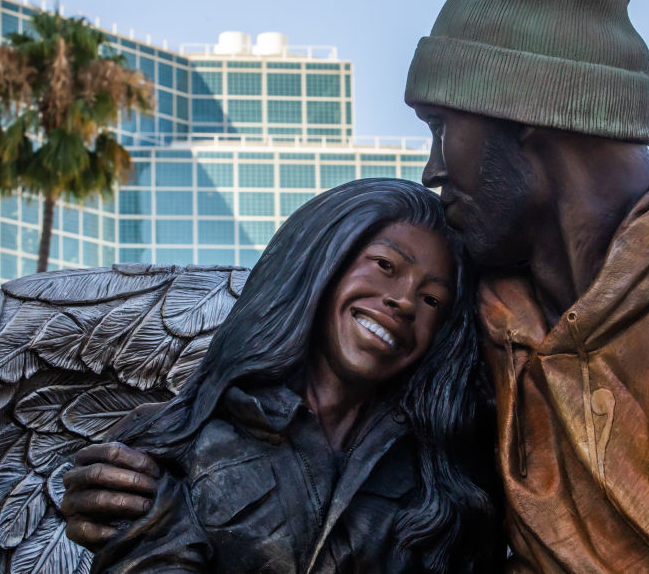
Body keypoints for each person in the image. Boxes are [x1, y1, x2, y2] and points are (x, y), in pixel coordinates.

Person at [65, 0, 649, 571]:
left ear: (525, 123)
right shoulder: (476, 321)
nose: (434, 167)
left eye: (444, 129)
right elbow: (299, 405)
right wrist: (138, 479)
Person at [63, 179, 497, 572]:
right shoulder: (178, 440)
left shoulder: (449, 480)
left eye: (433, 299)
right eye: (385, 265)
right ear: (322, 263)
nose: (404, 301)